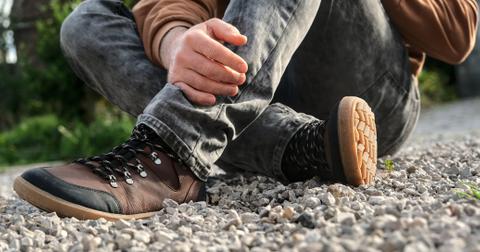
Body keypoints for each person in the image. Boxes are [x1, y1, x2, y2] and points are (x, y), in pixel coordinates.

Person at [13, 0, 477, 220]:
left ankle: (172, 151)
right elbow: (168, 4)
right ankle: (303, 145)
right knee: (85, 24)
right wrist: (176, 42)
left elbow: (458, 33)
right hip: (254, 84)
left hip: (369, 91)